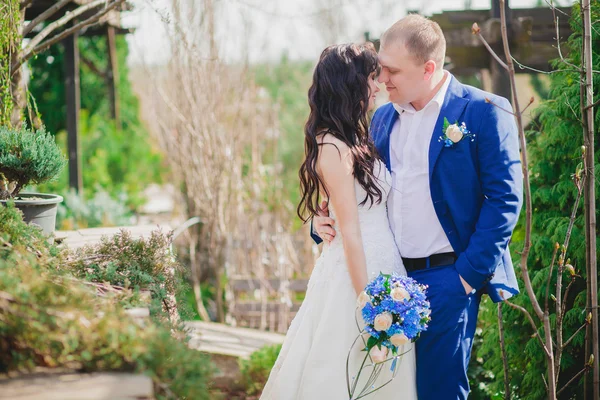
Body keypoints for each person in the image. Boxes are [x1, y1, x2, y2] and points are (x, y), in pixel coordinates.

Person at [313, 14, 523, 400]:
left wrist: (466, 277)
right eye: (380, 70)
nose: (381, 81)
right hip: (386, 280)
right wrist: (322, 221)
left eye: (392, 71)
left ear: (428, 68)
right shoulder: (381, 119)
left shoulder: (484, 110)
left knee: (439, 391)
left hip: (448, 278)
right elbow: (357, 190)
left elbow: (506, 199)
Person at [260, 42, 417, 400]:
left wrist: (319, 219)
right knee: (341, 369)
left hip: (384, 263)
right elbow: (350, 231)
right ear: (351, 84)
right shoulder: (331, 148)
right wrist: (368, 303)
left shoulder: (357, 138)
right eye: (371, 78)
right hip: (355, 275)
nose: (377, 85)